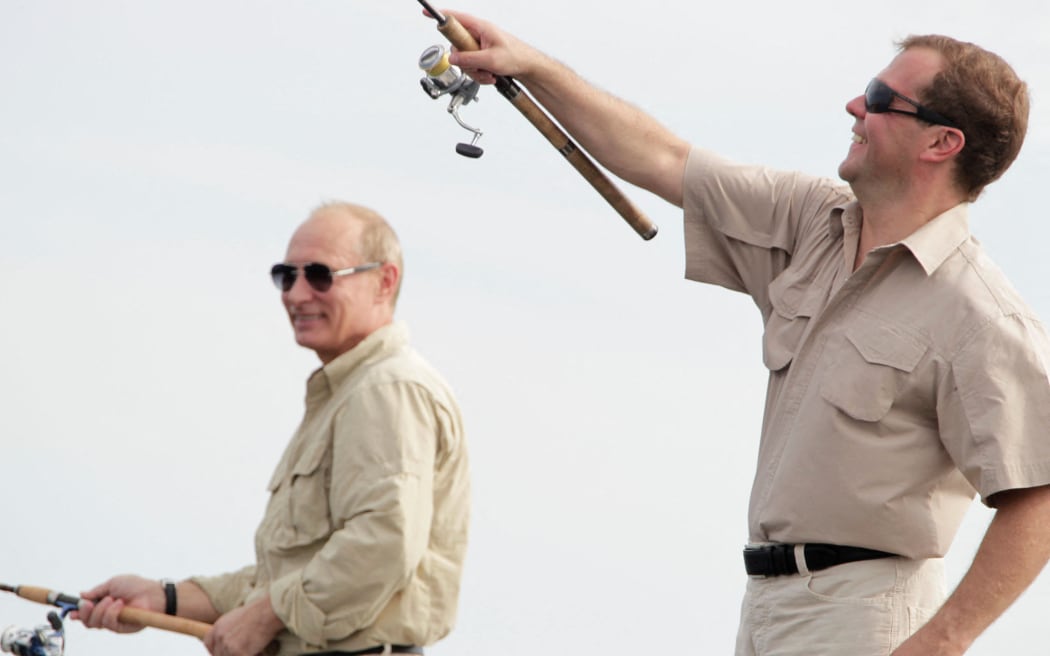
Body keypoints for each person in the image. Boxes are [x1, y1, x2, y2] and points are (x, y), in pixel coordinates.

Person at [440, 10, 1050, 655]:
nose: (853, 106)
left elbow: (1037, 497)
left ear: (941, 143)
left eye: (877, 99)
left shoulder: (982, 316)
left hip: (864, 618)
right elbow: (664, 159)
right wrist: (531, 65)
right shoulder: (810, 218)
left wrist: (941, 643)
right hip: (764, 608)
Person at [74, 202, 471, 656]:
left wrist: (266, 616)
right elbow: (282, 578)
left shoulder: (386, 388)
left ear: (385, 281)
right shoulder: (352, 392)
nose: (297, 294)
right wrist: (164, 599)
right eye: (286, 276)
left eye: (320, 275)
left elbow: (382, 546)